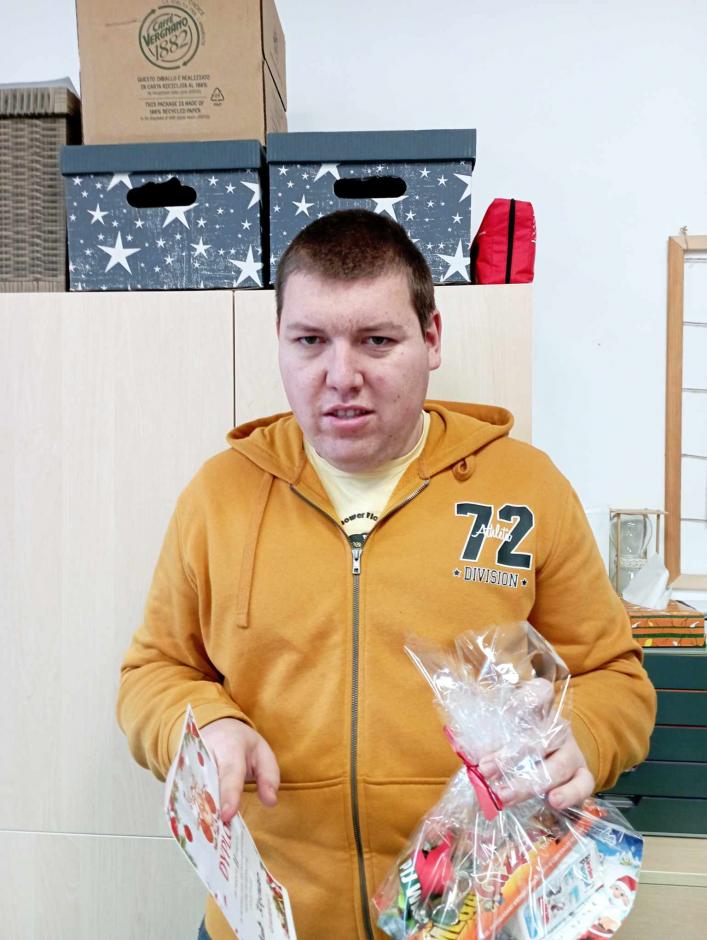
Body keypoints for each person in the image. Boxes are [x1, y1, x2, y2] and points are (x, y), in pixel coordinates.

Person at [117, 209, 656, 940]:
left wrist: (581, 738)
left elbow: (616, 679)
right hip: (265, 921)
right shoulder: (219, 496)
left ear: (431, 339)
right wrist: (204, 723)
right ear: (279, 340)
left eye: (376, 340)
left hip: (472, 915)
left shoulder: (526, 488)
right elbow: (153, 673)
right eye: (310, 341)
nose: (342, 377)